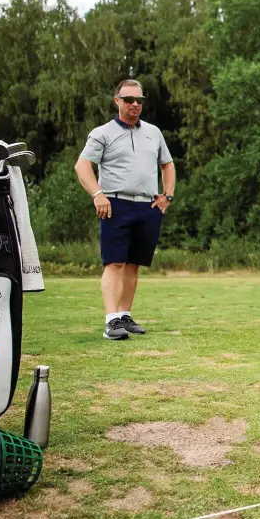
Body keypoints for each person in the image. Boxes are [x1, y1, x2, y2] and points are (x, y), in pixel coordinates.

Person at [74, 79, 175, 340]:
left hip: (148, 205)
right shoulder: (102, 133)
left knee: (133, 264)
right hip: (115, 203)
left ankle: (124, 316)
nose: (135, 104)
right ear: (117, 101)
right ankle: (111, 322)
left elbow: (167, 164)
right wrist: (97, 194)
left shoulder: (154, 132)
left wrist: (168, 196)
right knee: (115, 262)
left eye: (139, 100)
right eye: (129, 99)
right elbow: (82, 166)